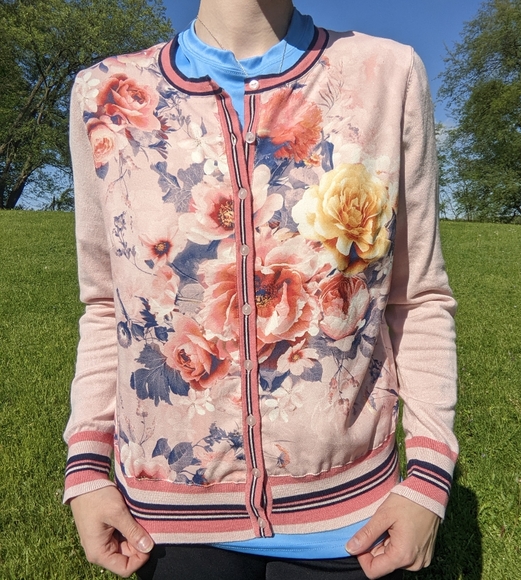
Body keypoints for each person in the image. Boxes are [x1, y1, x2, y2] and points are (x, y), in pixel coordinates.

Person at [64, 1, 458, 578]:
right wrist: (86, 470)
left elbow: (417, 298)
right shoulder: (104, 94)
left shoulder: (387, 74)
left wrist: (427, 478)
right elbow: (108, 306)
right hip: (167, 524)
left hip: (353, 521)